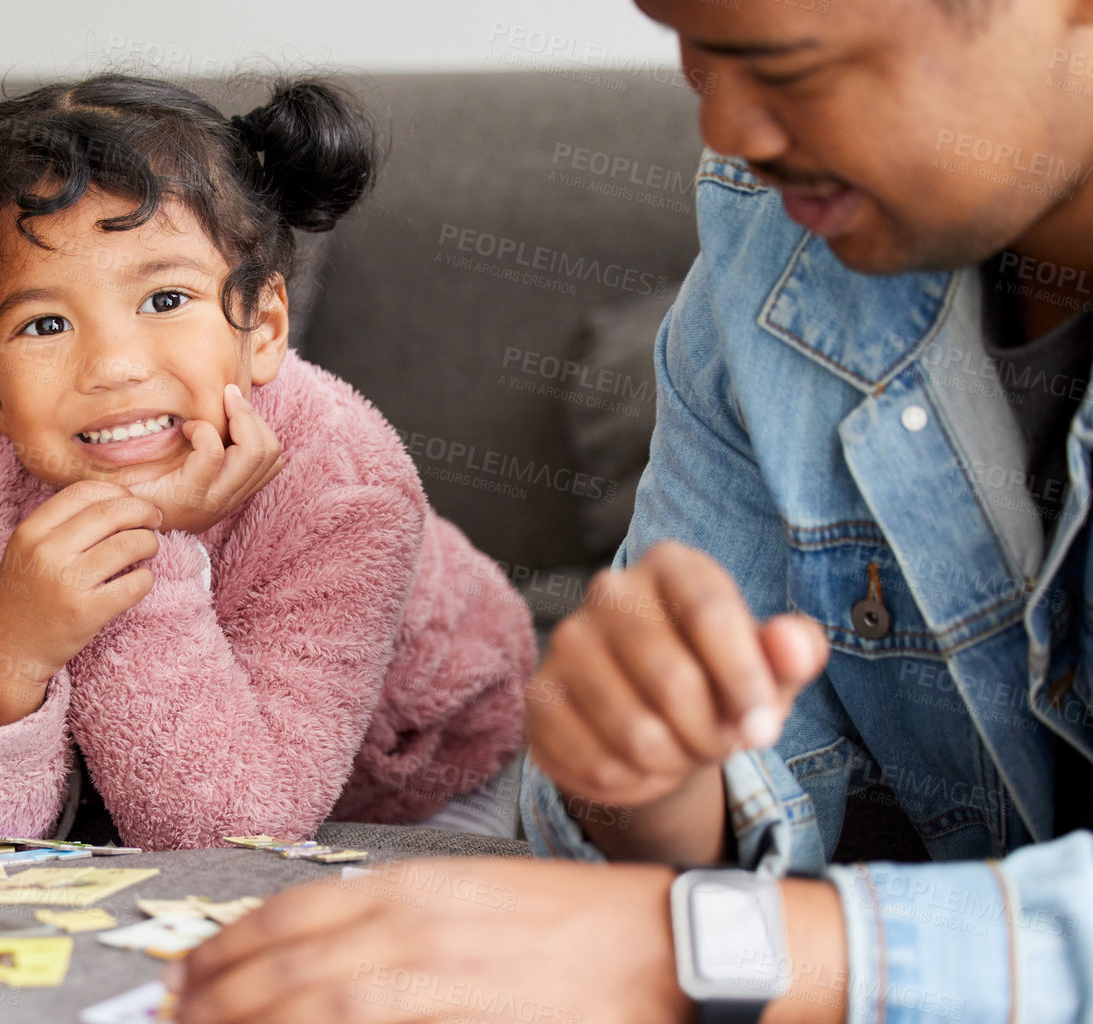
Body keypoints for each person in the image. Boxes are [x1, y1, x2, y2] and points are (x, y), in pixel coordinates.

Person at [173, 0, 1093, 1020]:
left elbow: (697, 943)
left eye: (783, 61)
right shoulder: (768, 240)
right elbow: (704, 803)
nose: (727, 132)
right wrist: (644, 786)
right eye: (693, 46)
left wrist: (691, 953)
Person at [0, 75, 535, 848]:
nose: (114, 367)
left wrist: (151, 549)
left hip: (425, 768)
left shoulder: (347, 481)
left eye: (165, 300)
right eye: (45, 323)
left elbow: (231, 833)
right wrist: (8, 654)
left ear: (263, 326)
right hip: (147, 772)